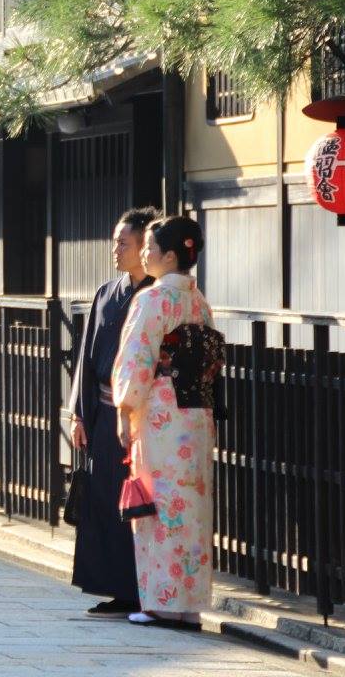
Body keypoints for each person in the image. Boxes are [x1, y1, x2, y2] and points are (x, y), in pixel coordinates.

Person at [112, 215, 216, 629]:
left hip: (159, 414)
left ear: (170, 256)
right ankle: (189, 604)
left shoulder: (152, 300)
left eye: (149, 248)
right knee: (191, 507)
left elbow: (137, 358)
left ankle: (160, 601)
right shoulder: (198, 302)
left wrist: (125, 408)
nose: (143, 254)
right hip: (195, 412)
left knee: (157, 506)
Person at [67, 206, 158, 617]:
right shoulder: (108, 292)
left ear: (145, 248)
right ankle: (114, 587)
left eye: (123, 242)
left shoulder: (156, 296)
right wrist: (78, 414)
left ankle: (142, 589)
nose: (115, 249)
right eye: (115, 241)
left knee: (140, 503)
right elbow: (86, 354)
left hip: (142, 416)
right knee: (105, 501)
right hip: (104, 413)